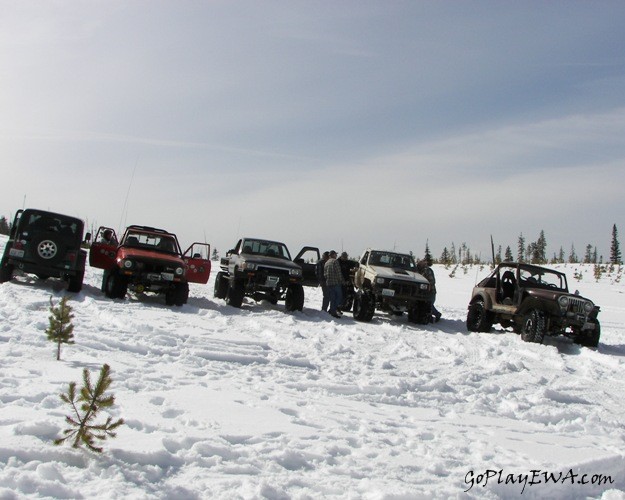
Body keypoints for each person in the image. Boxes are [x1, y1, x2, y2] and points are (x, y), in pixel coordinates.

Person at [417, 258, 441, 322]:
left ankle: (437, 315)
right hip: (423, 292)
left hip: (430, 292)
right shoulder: (419, 271)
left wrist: (428, 287)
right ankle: (429, 316)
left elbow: (432, 281)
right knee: (426, 305)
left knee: (429, 305)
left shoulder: (427, 271)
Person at [324, 250, 345, 318]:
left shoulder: (326, 263)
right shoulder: (335, 261)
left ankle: (332, 311)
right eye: (335, 254)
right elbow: (338, 272)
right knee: (339, 297)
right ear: (333, 255)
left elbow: (325, 274)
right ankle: (333, 310)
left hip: (329, 283)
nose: (336, 255)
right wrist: (342, 281)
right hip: (336, 283)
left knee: (332, 298)